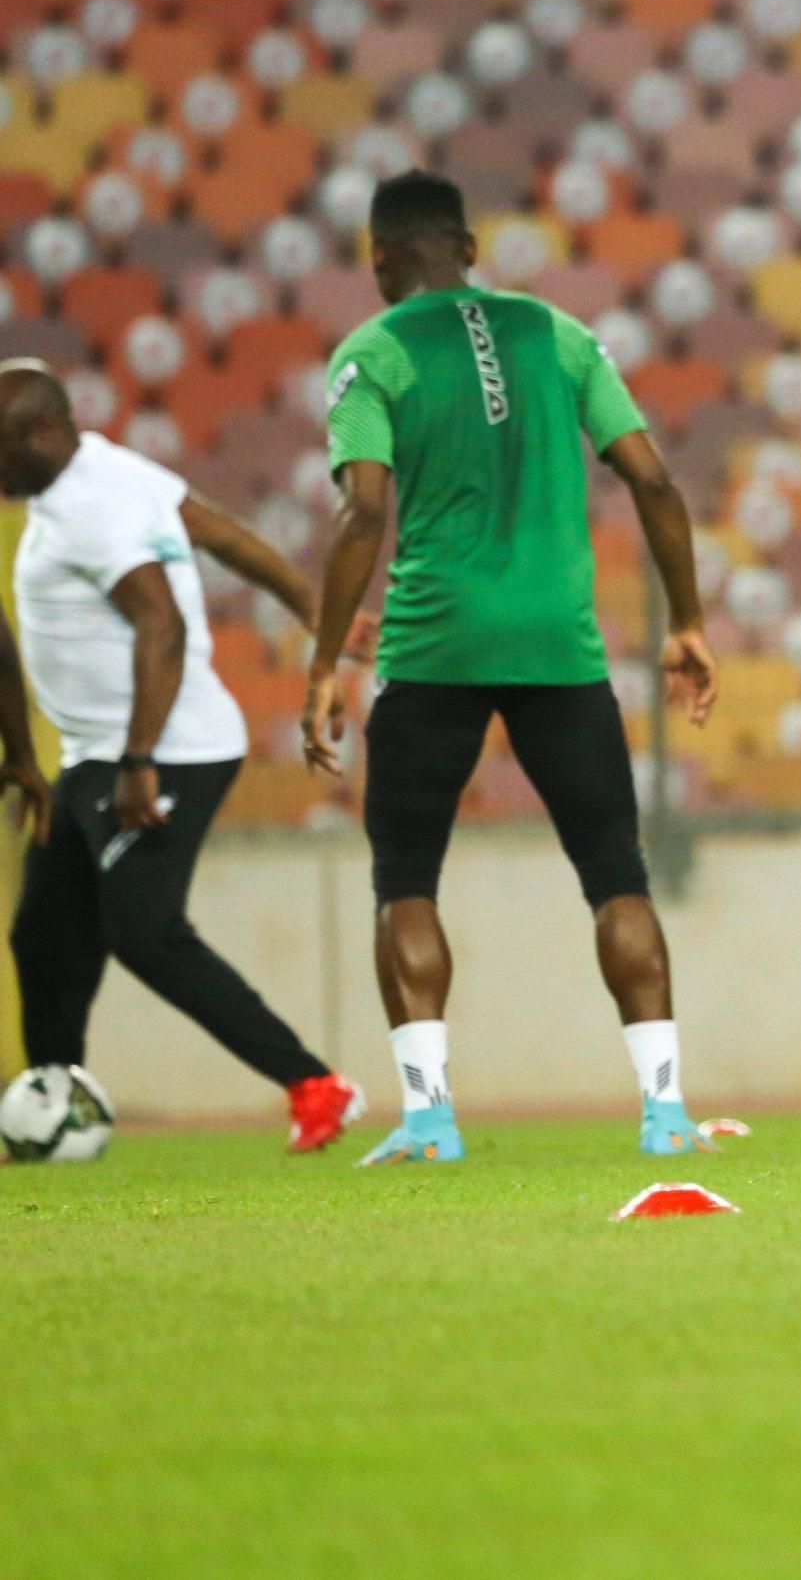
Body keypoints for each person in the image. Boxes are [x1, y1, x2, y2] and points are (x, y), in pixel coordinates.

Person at [303, 171, 721, 1165]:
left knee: (406, 883)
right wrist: (688, 623)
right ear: (470, 248)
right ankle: (665, 1115)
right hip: (558, 647)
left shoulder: (371, 352)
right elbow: (654, 483)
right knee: (617, 879)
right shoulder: (560, 335)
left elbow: (363, 511)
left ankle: (429, 1120)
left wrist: (324, 661)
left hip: (433, 645)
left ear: (380, 263)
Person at [0, 362, 365, 1151]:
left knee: (143, 928)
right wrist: (315, 615)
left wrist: (139, 762)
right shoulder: (102, 468)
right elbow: (226, 536)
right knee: (43, 932)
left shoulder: (90, 507)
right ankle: (55, 1097)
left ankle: (316, 1084)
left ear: (41, 435)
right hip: (100, 753)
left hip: (164, 751)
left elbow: (159, 624)